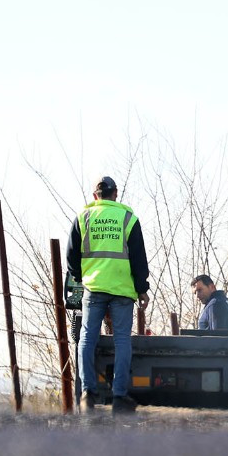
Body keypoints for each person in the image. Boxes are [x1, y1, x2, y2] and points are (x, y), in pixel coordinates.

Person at [66, 176, 150, 412]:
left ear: (95, 196)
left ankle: (87, 393)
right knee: (122, 340)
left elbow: (71, 256)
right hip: (123, 290)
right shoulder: (128, 219)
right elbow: (138, 257)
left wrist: (82, 277)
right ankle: (119, 397)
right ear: (116, 194)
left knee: (87, 338)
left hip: (93, 288)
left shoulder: (83, 218)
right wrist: (142, 288)